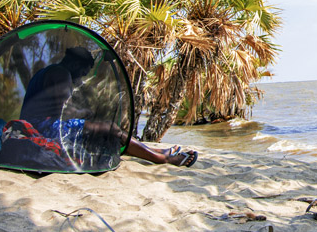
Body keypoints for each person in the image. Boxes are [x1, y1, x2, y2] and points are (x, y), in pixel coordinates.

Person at [20, 47, 197, 167]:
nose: (81, 77)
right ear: (74, 64)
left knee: (105, 129)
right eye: (83, 72)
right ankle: (160, 158)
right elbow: (63, 111)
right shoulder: (61, 74)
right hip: (44, 129)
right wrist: (84, 113)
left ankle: (155, 150)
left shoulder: (48, 71)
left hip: (35, 125)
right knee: (110, 128)